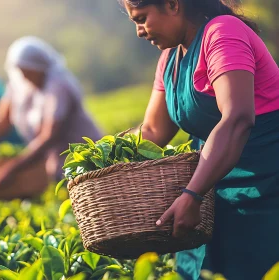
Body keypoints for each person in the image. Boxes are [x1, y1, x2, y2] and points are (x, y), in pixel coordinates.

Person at [120, 0, 279, 279]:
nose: (140, 31)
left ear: (172, 5)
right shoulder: (170, 59)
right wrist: (102, 154)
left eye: (142, 18)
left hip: (264, 188)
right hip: (211, 192)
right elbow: (154, 132)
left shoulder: (223, 33)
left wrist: (192, 194)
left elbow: (238, 118)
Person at [0, 36, 103, 190]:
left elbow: (49, 136)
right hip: (59, 166)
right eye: (21, 71)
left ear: (38, 66)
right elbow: (2, 119)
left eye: (27, 71)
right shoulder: (21, 84)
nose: (24, 76)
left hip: (88, 160)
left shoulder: (58, 85)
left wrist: (12, 169)